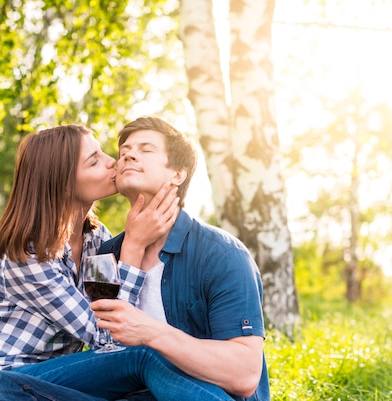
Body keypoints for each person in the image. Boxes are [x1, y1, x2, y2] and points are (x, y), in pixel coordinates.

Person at [0, 124, 236, 401]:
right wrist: (134, 246)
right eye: (94, 161)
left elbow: (112, 324)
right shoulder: (27, 254)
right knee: (142, 357)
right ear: (63, 185)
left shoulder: (96, 239)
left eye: (102, 152)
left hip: (53, 382)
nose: (113, 162)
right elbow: (107, 336)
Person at [93, 116, 270, 401]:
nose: (128, 154)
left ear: (178, 173)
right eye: (124, 150)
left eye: (146, 149)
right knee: (1, 385)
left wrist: (151, 334)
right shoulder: (103, 256)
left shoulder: (223, 254)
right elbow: (100, 347)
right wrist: (134, 245)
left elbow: (244, 375)